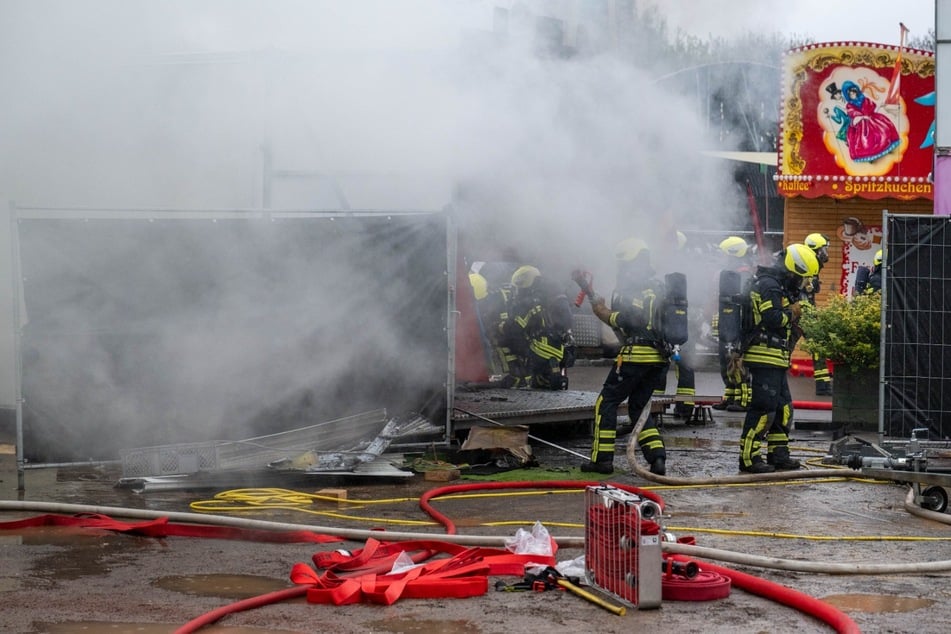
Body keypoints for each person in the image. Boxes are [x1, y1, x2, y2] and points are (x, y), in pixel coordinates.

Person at [579, 237, 670, 475]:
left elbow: (629, 320)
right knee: (639, 406)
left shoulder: (630, 285)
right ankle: (657, 458)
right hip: (659, 358)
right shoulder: (658, 286)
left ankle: (602, 460)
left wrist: (604, 313)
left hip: (635, 356)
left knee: (606, 402)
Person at [738, 243, 820, 473]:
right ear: (792, 270)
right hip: (763, 353)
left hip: (776, 355)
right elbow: (773, 318)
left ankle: (778, 454)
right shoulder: (769, 285)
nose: (803, 282)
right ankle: (748, 458)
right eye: (801, 277)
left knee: (783, 407)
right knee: (764, 407)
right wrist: (794, 312)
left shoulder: (780, 286)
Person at [501, 265, 574, 390]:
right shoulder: (549, 298)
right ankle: (544, 377)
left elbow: (514, 329)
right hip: (560, 350)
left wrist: (500, 327)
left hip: (540, 349)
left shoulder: (528, 303)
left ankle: (519, 376)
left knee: (503, 338)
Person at [712, 236, 753, 412]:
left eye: (724, 254)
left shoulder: (744, 274)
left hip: (738, 327)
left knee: (738, 363)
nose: (721, 258)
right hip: (727, 325)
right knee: (726, 362)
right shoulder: (728, 275)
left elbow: (744, 305)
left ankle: (744, 400)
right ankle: (730, 396)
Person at [802, 233, 833, 396]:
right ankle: (823, 386)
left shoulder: (809, 263)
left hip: (806, 309)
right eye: (823, 249)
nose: (825, 253)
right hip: (801, 311)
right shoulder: (806, 264)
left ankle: (823, 385)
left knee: (817, 346)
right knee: (817, 345)